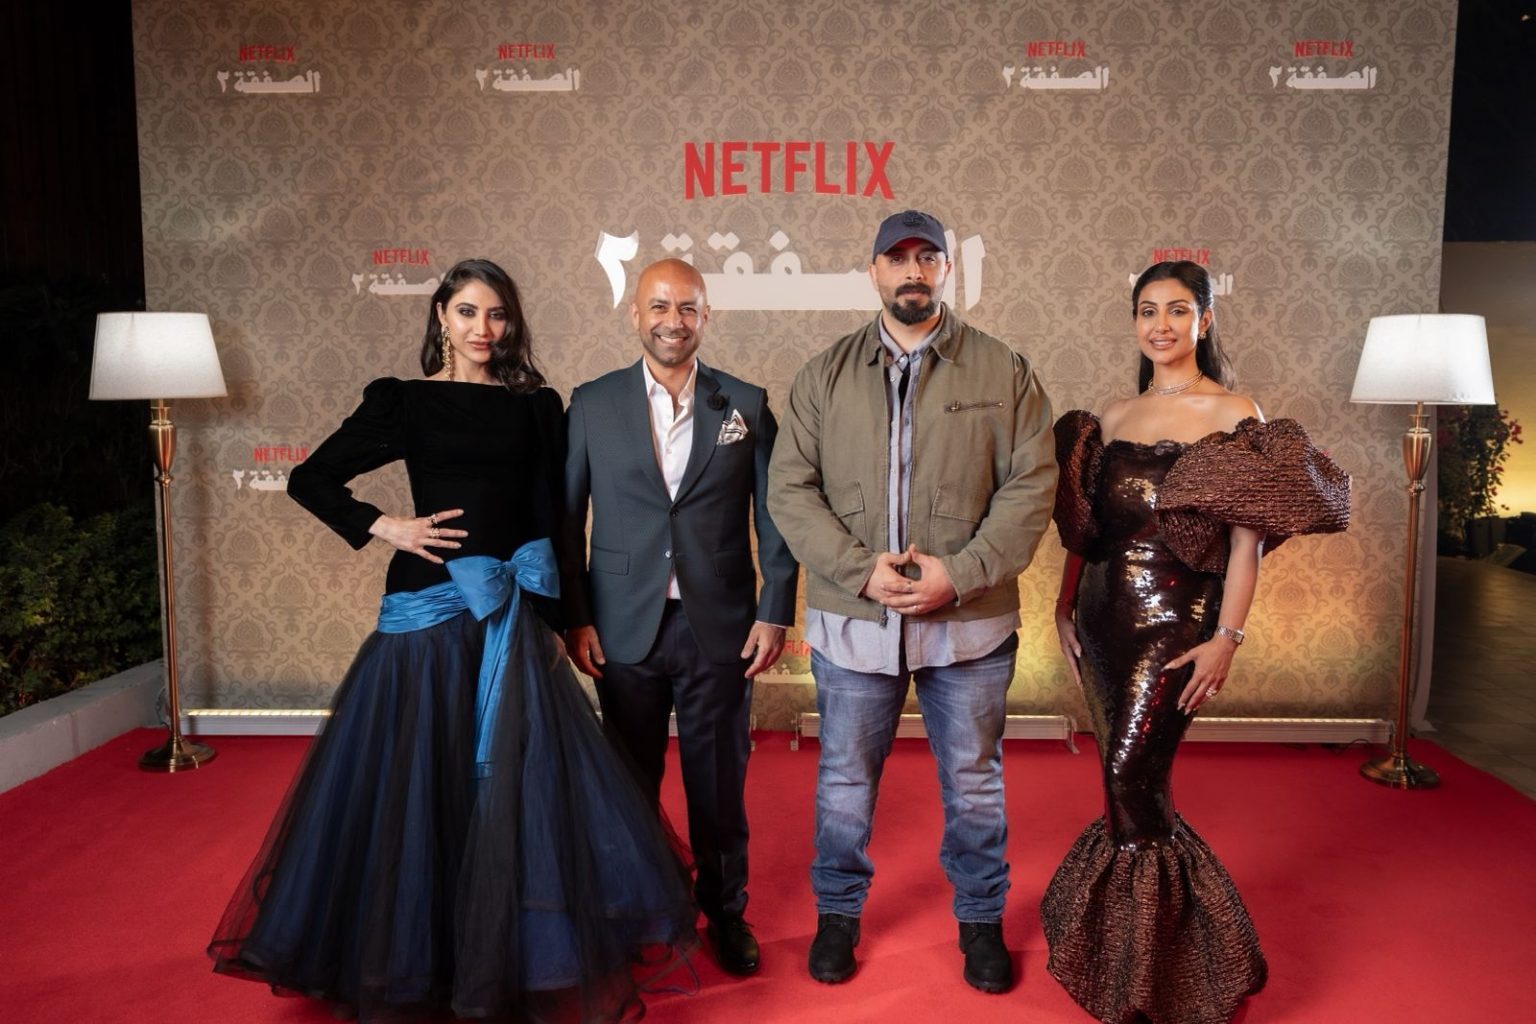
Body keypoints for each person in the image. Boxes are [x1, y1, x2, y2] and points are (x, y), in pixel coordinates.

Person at [208, 259, 697, 1023]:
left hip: (512, 617)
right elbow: (312, 479)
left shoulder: (537, 407)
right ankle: (417, 954)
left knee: (517, 787)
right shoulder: (404, 401)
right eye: (468, 312)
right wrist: (387, 526)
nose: (483, 329)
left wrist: (567, 618)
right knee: (418, 788)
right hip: (427, 618)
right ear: (440, 315)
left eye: (497, 314)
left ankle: (518, 954)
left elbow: (556, 520)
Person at [1043, 260, 1350, 1024]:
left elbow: (1246, 546)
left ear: (1205, 321)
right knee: (1125, 784)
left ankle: (1174, 971)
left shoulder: (1236, 413)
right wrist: (1062, 605)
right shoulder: (1113, 414)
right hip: (1102, 614)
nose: (1161, 325)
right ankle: (1136, 961)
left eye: (1178, 310)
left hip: (1179, 620)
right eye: (1148, 310)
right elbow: (1087, 529)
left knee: (1130, 778)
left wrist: (1228, 639)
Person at [768, 210, 1057, 992]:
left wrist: (960, 573)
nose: (912, 271)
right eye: (896, 259)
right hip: (853, 621)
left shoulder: (1004, 371)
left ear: (945, 270)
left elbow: (1032, 486)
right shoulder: (823, 376)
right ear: (873, 272)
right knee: (844, 783)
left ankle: (981, 921)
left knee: (974, 781)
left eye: (927, 257)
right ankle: (837, 915)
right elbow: (790, 490)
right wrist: (859, 572)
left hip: (969, 625)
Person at [560, 258, 798, 977]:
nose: (674, 320)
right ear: (636, 314)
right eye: (660, 306)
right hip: (620, 627)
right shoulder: (591, 404)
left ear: (706, 316)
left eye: (688, 307)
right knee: (628, 781)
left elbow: (776, 517)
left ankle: (725, 912)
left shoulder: (745, 404)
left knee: (718, 784)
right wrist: (575, 617)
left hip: (718, 628)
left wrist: (775, 611)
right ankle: (638, 909)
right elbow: (566, 520)